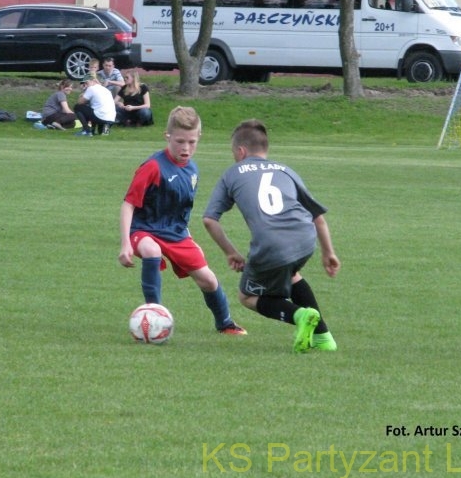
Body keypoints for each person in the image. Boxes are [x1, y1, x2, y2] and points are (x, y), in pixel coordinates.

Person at [202, 119, 340, 353]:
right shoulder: (285, 170)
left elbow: (209, 219)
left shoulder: (232, 173)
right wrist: (329, 253)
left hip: (271, 246)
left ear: (241, 151)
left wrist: (231, 252)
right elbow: (317, 216)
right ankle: (324, 338)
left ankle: (299, 315)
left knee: (246, 296)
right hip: (305, 239)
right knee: (291, 274)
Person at [118, 106, 247, 336]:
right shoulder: (153, 167)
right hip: (144, 229)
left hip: (176, 233)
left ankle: (225, 323)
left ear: (199, 138)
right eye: (179, 141)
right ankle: (153, 316)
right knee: (151, 250)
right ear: (167, 137)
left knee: (208, 280)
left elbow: (179, 210)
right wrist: (126, 244)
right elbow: (128, 204)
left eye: (191, 142)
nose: (185, 148)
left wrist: (187, 238)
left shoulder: (193, 170)